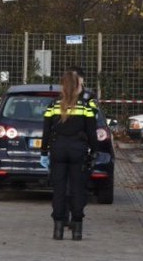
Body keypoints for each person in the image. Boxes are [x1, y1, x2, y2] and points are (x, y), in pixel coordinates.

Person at [40, 71, 99, 240]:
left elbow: (46, 131)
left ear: (63, 87)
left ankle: (58, 230)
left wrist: (44, 152)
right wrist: (94, 151)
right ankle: (77, 230)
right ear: (78, 87)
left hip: (58, 150)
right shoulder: (86, 107)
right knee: (77, 189)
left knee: (58, 190)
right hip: (78, 151)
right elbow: (92, 133)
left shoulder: (52, 106)